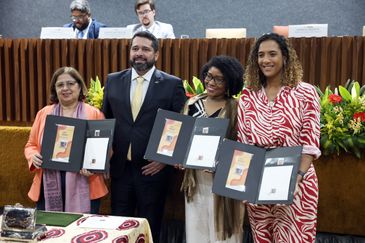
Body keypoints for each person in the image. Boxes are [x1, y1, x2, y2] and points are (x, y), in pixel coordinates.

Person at [102, 31, 186, 242]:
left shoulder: (172, 84)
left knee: (150, 229)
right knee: (119, 229)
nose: (139, 53)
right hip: (120, 169)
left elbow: (180, 127)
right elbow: (106, 122)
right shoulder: (112, 80)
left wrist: (164, 159)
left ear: (156, 54)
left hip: (152, 171)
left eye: (146, 49)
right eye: (135, 48)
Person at [237, 33, 321, 242]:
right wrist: (241, 183)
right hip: (258, 182)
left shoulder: (305, 93)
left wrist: (297, 179)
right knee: (262, 238)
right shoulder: (248, 95)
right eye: (261, 55)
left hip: (297, 184)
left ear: (285, 57)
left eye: (272, 54)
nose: (265, 60)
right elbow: (244, 143)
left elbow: (310, 143)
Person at [24, 66, 108, 214]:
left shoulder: (94, 113)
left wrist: (93, 166)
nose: (65, 88)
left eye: (70, 83)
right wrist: (33, 156)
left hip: (86, 183)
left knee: (82, 233)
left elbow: (105, 149)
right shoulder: (44, 113)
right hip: (47, 184)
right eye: (60, 84)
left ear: (80, 86)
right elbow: (30, 145)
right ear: (54, 89)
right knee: (50, 232)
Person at [180, 55, 245, 243]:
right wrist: (179, 157)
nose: (211, 82)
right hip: (195, 181)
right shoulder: (192, 105)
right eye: (209, 76)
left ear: (230, 82)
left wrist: (222, 161)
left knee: (224, 235)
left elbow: (242, 146)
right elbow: (181, 140)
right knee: (196, 231)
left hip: (225, 183)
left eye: (219, 79)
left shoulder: (236, 108)